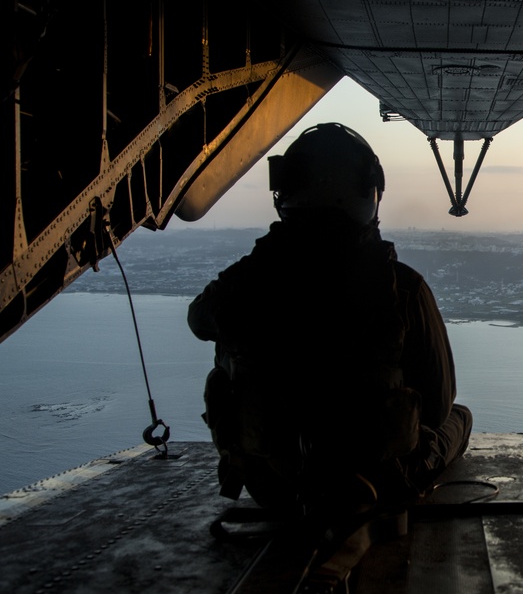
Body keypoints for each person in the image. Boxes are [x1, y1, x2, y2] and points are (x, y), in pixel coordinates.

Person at [188, 122, 472, 514]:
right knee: (459, 417)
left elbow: (199, 320)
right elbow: (439, 405)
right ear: (370, 192)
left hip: (273, 485)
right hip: (372, 485)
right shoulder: (402, 288)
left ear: (284, 191)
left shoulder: (243, 284)